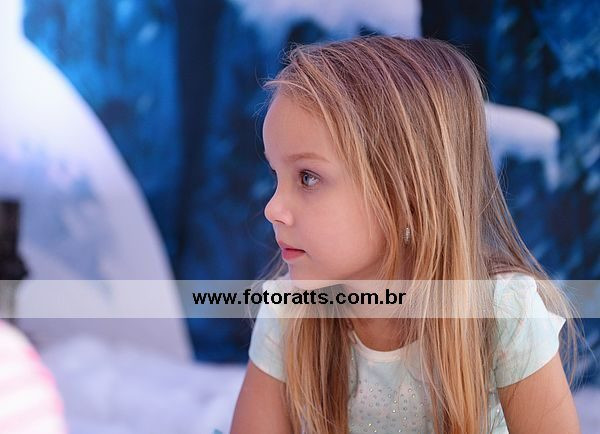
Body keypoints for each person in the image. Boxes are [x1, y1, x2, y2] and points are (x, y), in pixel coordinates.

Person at [231, 35, 582, 433]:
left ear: (408, 197)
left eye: (308, 177)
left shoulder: (503, 314)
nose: (272, 208)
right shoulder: (290, 314)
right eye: (275, 175)